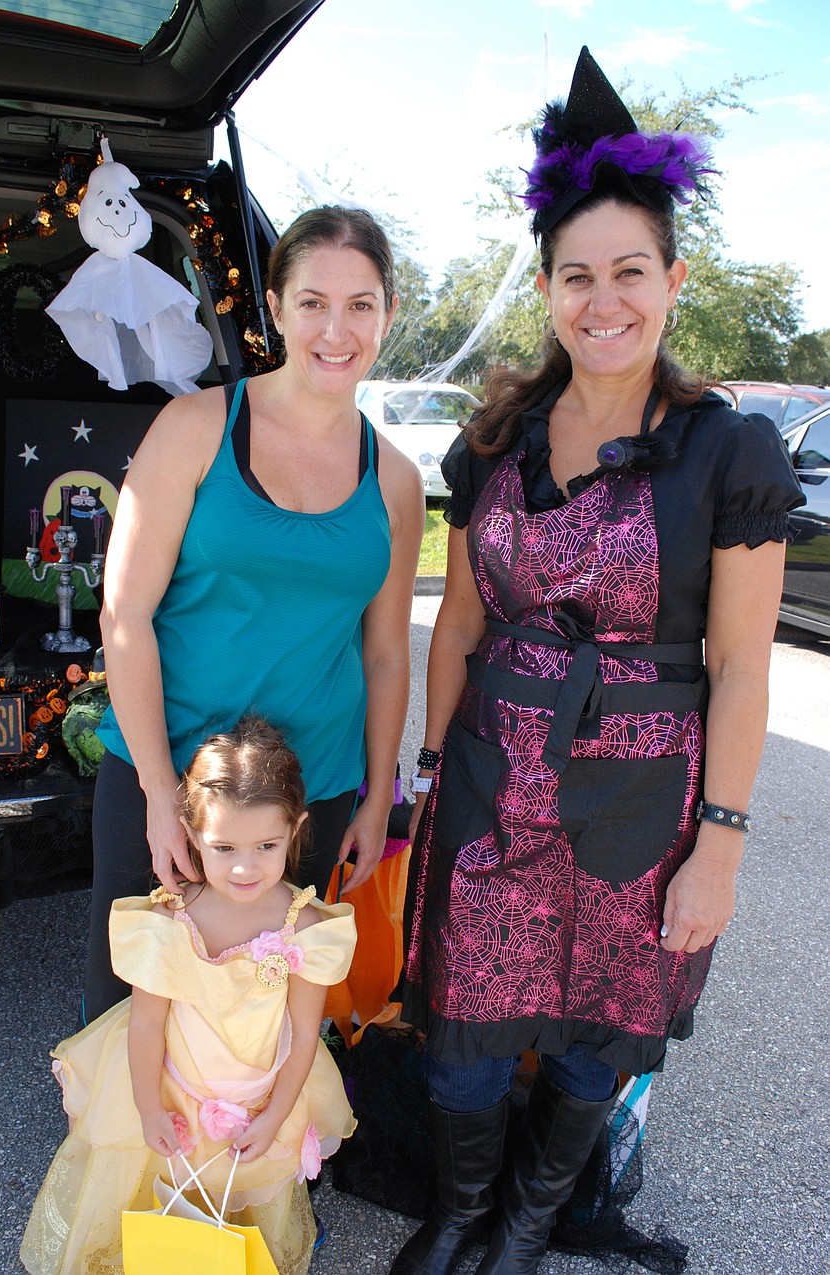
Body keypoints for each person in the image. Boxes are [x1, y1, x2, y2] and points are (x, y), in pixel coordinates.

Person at [392, 47, 805, 1275]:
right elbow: (459, 625)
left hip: (642, 797)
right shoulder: (496, 442)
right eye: (579, 275)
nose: (605, 299)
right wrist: (426, 774)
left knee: (592, 1034)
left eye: (632, 271)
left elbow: (739, 667)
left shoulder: (727, 453)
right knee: (462, 1031)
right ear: (548, 287)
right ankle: (464, 1208)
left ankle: (526, 1221)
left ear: (673, 282)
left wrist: (720, 841)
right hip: (485, 783)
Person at [85, 205, 424, 1020]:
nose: (335, 329)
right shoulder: (196, 428)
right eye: (312, 301)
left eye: (360, 305)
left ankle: (259, 1156)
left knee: (265, 1019)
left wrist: (379, 797)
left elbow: (384, 653)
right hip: (166, 772)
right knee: (137, 1006)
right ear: (275, 306)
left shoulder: (397, 480)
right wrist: (161, 797)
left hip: (313, 793)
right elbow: (124, 616)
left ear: (387, 314)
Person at [21, 716, 358, 1275]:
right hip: (175, 1095)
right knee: (156, 1198)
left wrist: (274, 1118)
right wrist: (150, 1109)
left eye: (267, 845)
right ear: (189, 831)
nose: (245, 866)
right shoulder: (169, 920)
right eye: (223, 846)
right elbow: (147, 1024)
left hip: (259, 1097)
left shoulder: (308, 926)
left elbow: (304, 1033)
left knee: (242, 1200)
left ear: (297, 830)